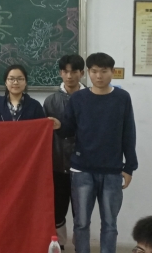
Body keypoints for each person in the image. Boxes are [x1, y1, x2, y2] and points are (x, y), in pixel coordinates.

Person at [55, 53, 138, 253]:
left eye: (104, 71)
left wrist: (129, 167)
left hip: (112, 170)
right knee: (81, 222)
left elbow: (128, 132)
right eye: (94, 71)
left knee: (110, 223)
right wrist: (58, 126)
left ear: (112, 72)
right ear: (88, 72)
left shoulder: (122, 98)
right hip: (82, 170)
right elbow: (68, 130)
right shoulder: (78, 98)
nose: (99, 76)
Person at [43, 54, 85, 250]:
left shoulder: (90, 98)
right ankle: (58, 245)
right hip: (57, 163)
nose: (69, 76)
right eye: (65, 72)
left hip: (84, 165)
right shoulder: (50, 101)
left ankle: (81, 245)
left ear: (81, 73)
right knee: (57, 210)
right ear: (60, 73)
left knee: (81, 211)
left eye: (74, 72)